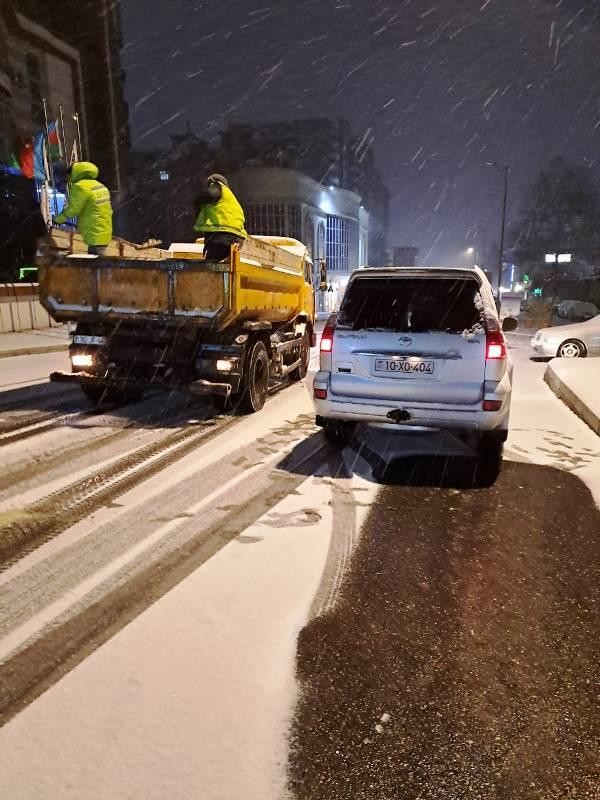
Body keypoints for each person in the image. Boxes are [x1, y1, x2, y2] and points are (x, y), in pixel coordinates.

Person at [54, 161, 112, 254]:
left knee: (94, 263)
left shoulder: (80, 187)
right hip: (105, 231)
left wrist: (57, 220)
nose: (67, 179)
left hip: (93, 233)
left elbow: (73, 210)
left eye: (68, 175)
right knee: (100, 260)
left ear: (74, 174)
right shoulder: (100, 186)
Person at [193, 174, 247, 261]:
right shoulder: (230, 199)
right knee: (217, 265)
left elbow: (209, 195)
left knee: (209, 269)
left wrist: (197, 201)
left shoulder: (217, 186)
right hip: (236, 237)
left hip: (223, 236)